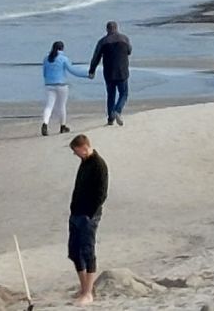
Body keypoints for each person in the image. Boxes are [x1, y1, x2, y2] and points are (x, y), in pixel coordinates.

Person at [67, 133, 108, 306]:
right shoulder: (84, 163)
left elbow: (101, 194)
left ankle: (88, 292)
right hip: (76, 213)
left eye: (77, 152)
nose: (76, 155)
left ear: (84, 148)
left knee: (87, 251)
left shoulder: (99, 165)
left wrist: (89, 214)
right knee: (74, 251)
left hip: (88, 215)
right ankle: (84, 287)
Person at [88, 21, 133, 128]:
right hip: (122, 71)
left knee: (111, 95)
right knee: (123, 93)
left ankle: (110, 119)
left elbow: (96, 57)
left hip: (108, 72)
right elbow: (129, 51)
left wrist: (92, 70)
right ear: (116, 28)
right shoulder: (124, 39)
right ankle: (118, 110)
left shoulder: (102, 41)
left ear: (107, 29)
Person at [42, 41, 89, 137]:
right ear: (62, 49)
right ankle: (62, 126)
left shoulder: (46, 59)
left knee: (49, 106)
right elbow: (73, 70)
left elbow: (44, 73)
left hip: (49, 85)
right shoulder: (63, 59)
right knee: (61, 106)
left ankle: (45, 124)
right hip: (61, 85)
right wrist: (86, 75)